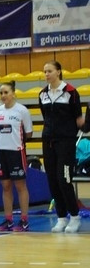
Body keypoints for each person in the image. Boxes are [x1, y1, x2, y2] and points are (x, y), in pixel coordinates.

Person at [40, 60, 84, 233]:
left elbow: (78, 118)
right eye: (44, 72)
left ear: (58, 72)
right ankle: (61, 217)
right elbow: (45, 117)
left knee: (64, 179)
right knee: (52, 181)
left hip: (65, 143)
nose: (46, 74)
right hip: (48, 141)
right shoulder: (42, 94)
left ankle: (74, 216)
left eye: (49, 71)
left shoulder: (71, 93)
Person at [0, 81, 33, 231]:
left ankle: (24, 220)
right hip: (1, 153)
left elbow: (29, 133)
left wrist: (17, 142)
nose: (3, 95)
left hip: (16, 152)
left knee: (20, 186)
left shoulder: (22, 111)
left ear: (13, 93)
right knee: (6, 186)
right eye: (1, 93)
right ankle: (8, 220)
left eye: (6, 92)